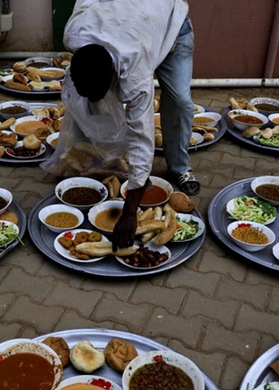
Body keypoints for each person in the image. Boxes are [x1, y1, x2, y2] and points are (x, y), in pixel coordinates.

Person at [61, 0, 197, 249]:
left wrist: (130, 212)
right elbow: (78, 94)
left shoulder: (134, 70)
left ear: (115, 76)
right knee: (88, 105)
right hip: (132, 19)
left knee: (180, 100)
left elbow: (142, 135)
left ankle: (179, 167)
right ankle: (89, 165)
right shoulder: (73, 35)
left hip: (171, 28)